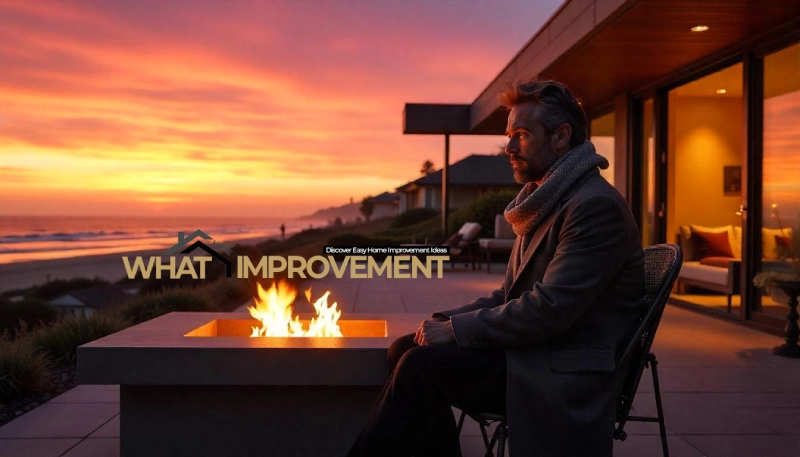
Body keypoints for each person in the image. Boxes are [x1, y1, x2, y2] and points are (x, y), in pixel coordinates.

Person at [345, 79, 645, 457]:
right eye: (509, 135)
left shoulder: (592, 207)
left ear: (561, 136)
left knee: (421, 366)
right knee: (406, 347)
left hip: (562, 370)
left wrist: (456, 330)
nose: (509, 147)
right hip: (535, 351)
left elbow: (549, 309)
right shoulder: (546, 201)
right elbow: (508, 295)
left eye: (521, 134)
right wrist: (444, 319)